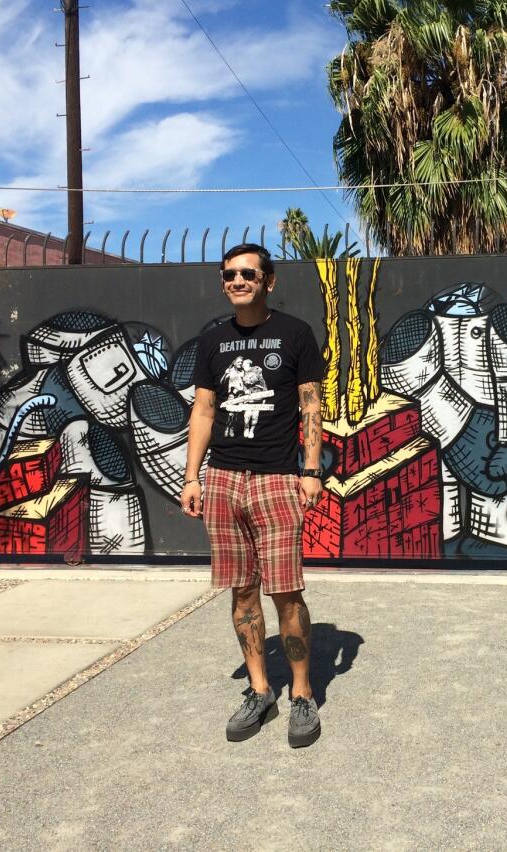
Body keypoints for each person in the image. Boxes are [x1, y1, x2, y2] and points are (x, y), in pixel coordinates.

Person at [181, 243, 325, 748]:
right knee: (241, 589)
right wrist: (192, 476)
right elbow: (202, 410)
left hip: (277, 479)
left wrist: (310, 469)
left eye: (248, 273)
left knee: (285, 590)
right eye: (229, 274)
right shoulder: (213, 341)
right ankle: (260, 689)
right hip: (223, 479)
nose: (237, 280)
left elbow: (310, 406)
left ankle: (302, 695)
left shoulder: (294, 334)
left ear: (268, 280)